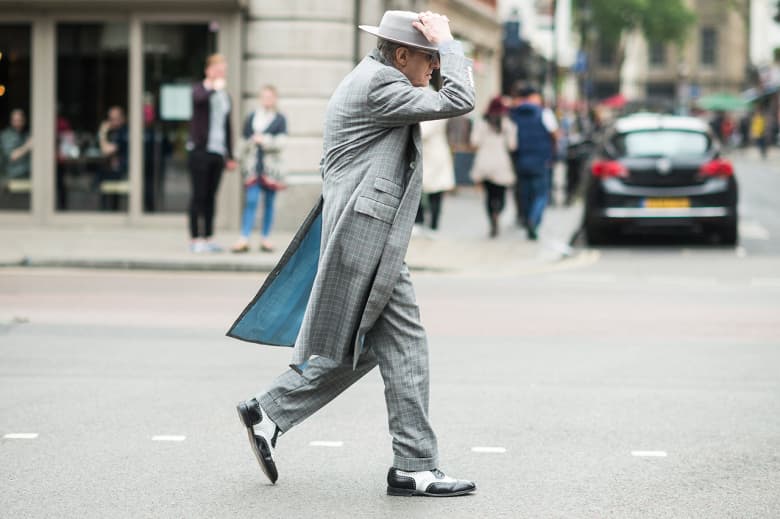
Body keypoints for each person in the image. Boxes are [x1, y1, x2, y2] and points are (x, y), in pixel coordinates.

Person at [230, 10, 477, 497]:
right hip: (368, 238)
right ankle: (414, 466)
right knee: (406, 343)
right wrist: (448, 41)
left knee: (368, 347)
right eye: (428, 58)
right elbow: (459, 99)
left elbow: (438, 93)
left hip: (364, 233)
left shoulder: (376, 78)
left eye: (435, 58)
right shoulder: (379, 86)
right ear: (401, 54)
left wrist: (440, 49)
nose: (433, 67)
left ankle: (271, 411)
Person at [187, 53, 237, 253]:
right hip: (200, 151)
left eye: (223, 70)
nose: (220, 73)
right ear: (208, 70)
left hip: (217, 152)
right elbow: (198, 100)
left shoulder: (224, 95)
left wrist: (230, 155)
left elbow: (227, 126)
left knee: (211, 196)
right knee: (198, 196)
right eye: (217, 69)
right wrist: (212, 89)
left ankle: (208, 237)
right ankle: (195, 238)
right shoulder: (200, 90)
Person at [231, 86, 288, 253]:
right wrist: (236, 157)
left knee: (269, 203)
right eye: (264, 97)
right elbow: (243, 141)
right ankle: (244, 237)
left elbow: (282, 143)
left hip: (271, 170)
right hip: (253, 168)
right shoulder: (252, 118)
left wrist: (264, 140)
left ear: (275, 98)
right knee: (251, 201)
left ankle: (265, 238)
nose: (267, 100)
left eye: (270, 97)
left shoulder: (279, 119)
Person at [509, 83, 558, 240]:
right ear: (533, 97)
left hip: (521, 160)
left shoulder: (514, 114)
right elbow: (555, 135)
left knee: (526, 194)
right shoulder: (544, 113)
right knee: (541, 194)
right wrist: (553, 155)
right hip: (540, 160)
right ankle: (533, 220)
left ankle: (526, 217)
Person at [469, 96, 516, 238]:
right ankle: (498, 213)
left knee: (489, 195)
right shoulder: (508, 124)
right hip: (501, 163)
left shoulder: (481, 123)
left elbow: (474, 141)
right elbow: (513, 145)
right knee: (501, 195)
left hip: (484, 163)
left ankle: (492, 219)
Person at [415, 118, 454, 235]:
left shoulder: (438, 113)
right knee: (417, 191)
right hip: (425, 157)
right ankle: (419, 221)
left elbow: (423, 131)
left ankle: (433, 226)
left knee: (435, 193)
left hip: (435, 159)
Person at [97, 106, 129, 210]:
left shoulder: (123, 132)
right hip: (112, 171)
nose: (113, 122)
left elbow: (106, 150)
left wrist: (102, 132)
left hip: (122, 173)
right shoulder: (113, 132)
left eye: (116, 119)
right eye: (111, 119)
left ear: (123, 118)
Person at [0, 109, 32, 180]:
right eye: (15, 120)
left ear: (24, 121)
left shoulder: (26, 134)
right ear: (11, 121)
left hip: (28, 176)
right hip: (12, 177)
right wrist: (27, 146)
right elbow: (11, 156)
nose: (18, 123)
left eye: (20, 120)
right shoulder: (6, 136)